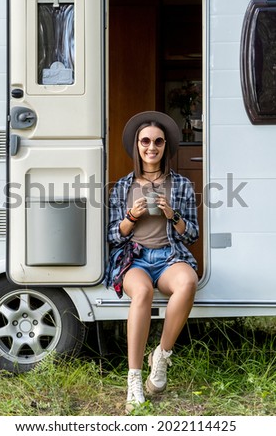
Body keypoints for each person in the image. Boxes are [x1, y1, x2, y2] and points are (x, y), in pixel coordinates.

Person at [105, 111, 199, 413]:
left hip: (170, 256)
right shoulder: (122, 186)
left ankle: (161, 355)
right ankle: (134, 378)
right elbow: (112, 236)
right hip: (134, 257)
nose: (151, 147)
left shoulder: (181, 185)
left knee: (188, 282)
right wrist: (131, 217)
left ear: (165, 146)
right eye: (145, 141)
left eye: (158, 141)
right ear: (137, 145)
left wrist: (173, 214)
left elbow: (192, 235)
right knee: (142, 293)